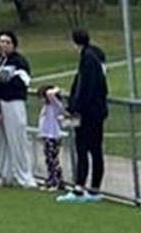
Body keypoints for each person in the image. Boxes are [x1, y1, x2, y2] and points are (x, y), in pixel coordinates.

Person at [62, 27, 107, 202]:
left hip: (89, 112)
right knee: (94, 149)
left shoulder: (88, 59)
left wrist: (73, 108)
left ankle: (81, 187)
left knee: (84, 148)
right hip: (96, 110)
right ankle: (94, 187)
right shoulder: (95, 56)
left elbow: (85, 88)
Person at [0, 31, 37, 187]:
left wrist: (4, 80)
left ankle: (24, 176)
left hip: (13, 102)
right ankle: (2, 174)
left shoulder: (19, 61)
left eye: (7, 42)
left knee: (17, 139)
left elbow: (24, 81)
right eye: (1, 41)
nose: (3, 44)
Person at [35, 84, 66, 189]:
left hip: (53, 135)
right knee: (49, 159)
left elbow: (50, 94)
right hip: (47, 135)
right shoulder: (46, 107)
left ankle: (57, 180)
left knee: (53, 159)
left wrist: (56, 89)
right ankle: (51, 178)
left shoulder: (55, 105)